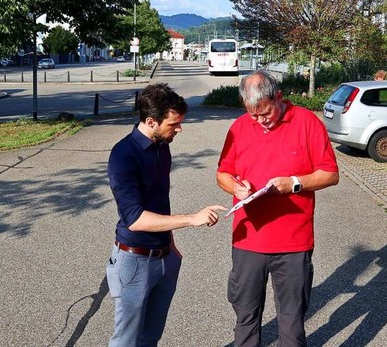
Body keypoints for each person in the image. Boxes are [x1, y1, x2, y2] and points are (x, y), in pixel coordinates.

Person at [216, 69, 340, 346]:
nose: (260, 121)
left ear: (279, 97)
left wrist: (294, 183)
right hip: (248, 240)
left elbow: (330, 174)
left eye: (266, 113)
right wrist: (235, 187)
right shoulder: (238, 127)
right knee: (245, 316)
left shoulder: (308, 123)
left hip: (293, 243)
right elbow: (223, 173)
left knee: (292, 319)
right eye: (253, 115)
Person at [106, 83, 226, 347]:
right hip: (133, 260)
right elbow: (135, 219)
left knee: (151, 337)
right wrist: (192, 218)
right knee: (127, 341)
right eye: (173, 124)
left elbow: (160, 201)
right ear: (151, 121)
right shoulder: (123, 155)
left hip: (164, 257)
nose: (179, 129)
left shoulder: (162, 146)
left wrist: (171, 246)